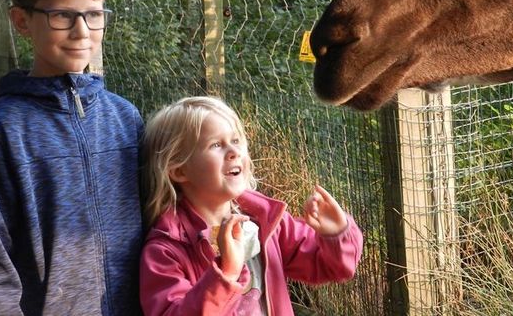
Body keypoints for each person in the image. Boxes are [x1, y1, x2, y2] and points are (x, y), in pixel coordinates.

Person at [0, 0, 144, 315]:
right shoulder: (1, 130)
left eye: (94, 14)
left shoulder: (125, 118)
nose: (82, 32)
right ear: (22, 20)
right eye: (62, 15)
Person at [138, 96, 363, 315]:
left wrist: (337, 235)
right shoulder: (166, 251)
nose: (234, 152)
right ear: (179, 170)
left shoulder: (266, 221)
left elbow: (331, 267)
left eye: (235, 141)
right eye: (215, 144)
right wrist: (226, 274)